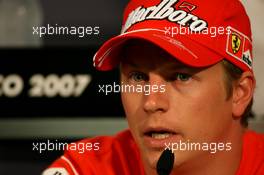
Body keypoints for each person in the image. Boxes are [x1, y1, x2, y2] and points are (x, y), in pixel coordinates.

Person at [43, 0, 264, 174]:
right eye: (138, 77)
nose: (151, 102)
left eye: (180, 76)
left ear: (240, 93)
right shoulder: (91, 166)